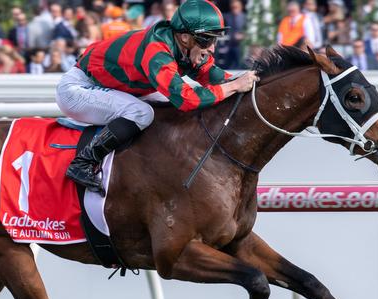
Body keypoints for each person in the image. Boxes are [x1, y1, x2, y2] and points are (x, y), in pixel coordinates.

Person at [56, 0, 259, 194]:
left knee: (165, 108)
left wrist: (249, 82)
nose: (212, 47)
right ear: (185, 37)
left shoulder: (186, 47)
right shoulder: (157, 51)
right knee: (141, 113)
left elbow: (215, 77)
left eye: (215, 39)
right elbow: (187, 99)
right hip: (78, 88)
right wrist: (233, 87)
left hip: (113, 87)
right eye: (207, 39)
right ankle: (84, 162)